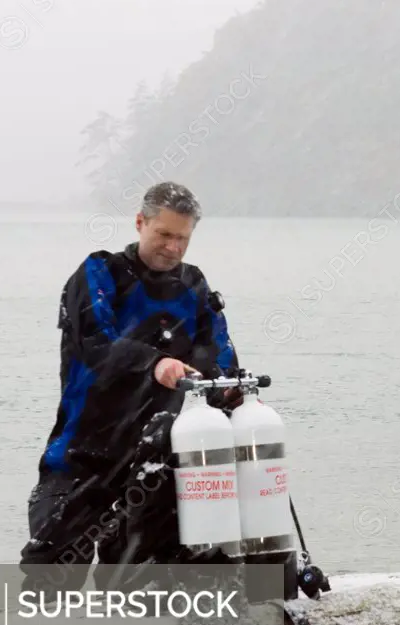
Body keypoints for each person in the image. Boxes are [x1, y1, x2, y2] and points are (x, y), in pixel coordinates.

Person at [19, 182, 243, 591]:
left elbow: (220, 352)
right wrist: (155, 364)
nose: (173, 248)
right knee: (50, 573)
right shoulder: (98, 273)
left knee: (141, 578)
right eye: (164, 235)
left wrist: (225, 389)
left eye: (182, 238)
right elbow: (95, 346)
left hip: (155, 460)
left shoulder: (193, 286)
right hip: (86, 452)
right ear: (140, 223)